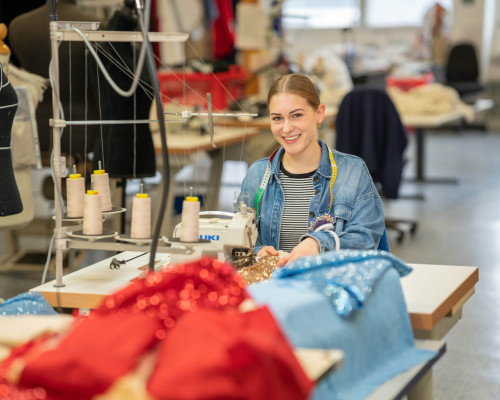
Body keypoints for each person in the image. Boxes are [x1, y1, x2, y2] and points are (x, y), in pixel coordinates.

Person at [239, 73, 385, 267]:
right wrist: (256, 253)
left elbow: (366, 240)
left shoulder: (353, 171)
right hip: (275, 291)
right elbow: (240, 241)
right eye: (277, 118)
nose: (286, 128)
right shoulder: (257, 174)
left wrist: (319, 244)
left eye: (297, 115)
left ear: (319, 114)